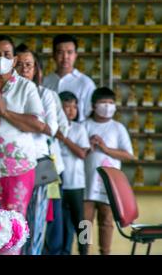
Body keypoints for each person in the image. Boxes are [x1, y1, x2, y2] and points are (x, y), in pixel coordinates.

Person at [0, 36, 45, 255]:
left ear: (15, 59)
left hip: (17, 168)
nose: (2, 59)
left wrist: (5, 112)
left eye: (7, 55)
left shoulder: (26, 87)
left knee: (13, 227)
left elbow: (37, 124)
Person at [14, 44, 66, 255]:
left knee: (35, 223)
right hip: (11, 164)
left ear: (36, 69)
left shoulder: (46, 94)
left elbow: (50, 129)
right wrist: (30, 123)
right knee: (11, 223)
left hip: (38, 165)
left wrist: (12, 117)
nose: (25, 69)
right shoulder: (4, 92)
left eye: (29, 65)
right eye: (19, 65)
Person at [83, 87, 134, 255]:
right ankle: (84, 251)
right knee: (85, 222)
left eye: (111, 103)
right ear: (93, 105)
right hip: (85, 184)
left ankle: (105, 252)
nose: (107, 106)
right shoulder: (84, 125)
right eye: (103, 102)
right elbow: (77, 151)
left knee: (106, 222)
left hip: (109, 187)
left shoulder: (118, 128)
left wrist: (105, 149)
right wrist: (88, 147)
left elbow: (128, 155)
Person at [56, 91, 89, 255]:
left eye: (74, 106)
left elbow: (82, 153)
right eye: (67, 106)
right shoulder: (53, 127)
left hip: (76, 184)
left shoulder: (79, 129)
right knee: (61, 223)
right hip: (58, 184)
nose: (71, 110)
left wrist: (65, 139)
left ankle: (84, 251)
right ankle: (64, 251)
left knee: (82, 222)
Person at [43, 34, 96, 122]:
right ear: (53, 55)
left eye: (69, 52)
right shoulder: (45, 81)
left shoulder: (86, 83)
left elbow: (91, 115)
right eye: (60, 52)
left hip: (77, 133)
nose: (65, 57)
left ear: (75, 55)